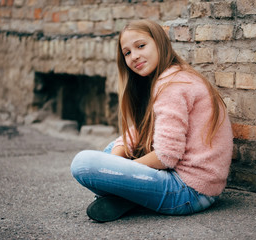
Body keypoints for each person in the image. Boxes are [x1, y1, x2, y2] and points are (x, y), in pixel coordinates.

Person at [70, 19, 233, 222]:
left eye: (141, 46)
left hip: (190, 191)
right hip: (195, 187)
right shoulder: (166, 77)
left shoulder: (172, 84)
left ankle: (127, 195)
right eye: (127, 53)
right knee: (113, 147)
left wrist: (122, 173)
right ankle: (130, 198)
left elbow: (166, 157)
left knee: (83, 164)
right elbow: (138, 131)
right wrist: (117, 163)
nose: (134, 56)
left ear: (159, 43)